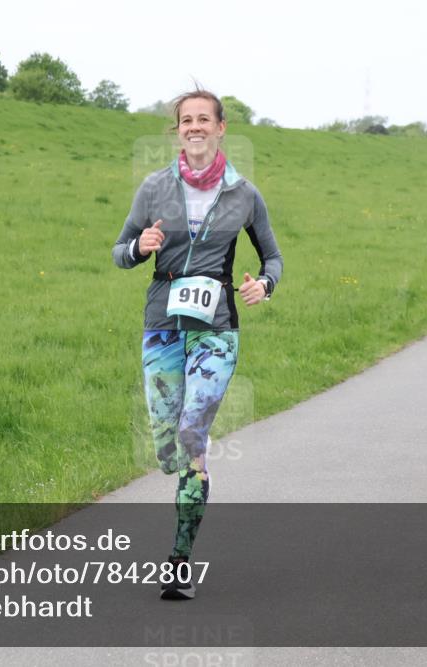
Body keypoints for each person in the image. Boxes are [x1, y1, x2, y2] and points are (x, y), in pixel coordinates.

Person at [112, 89, 282, 600]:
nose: (194, 127)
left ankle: (179, 562)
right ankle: (186, 457)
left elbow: (273, 258)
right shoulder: (154, 187)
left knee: (191, 436)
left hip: (216, 329)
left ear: (220, 127)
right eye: (186, 120)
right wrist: (139, 247)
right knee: (168, 450)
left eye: (204, 119)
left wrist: (264, 285)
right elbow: (120, 251)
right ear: (178, 130)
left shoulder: (244, 194)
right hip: (163, 325)